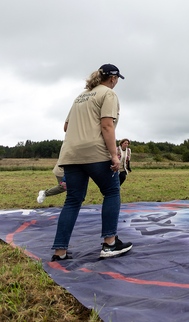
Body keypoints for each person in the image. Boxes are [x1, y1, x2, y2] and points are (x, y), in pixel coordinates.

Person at [50, 64, 133, 262]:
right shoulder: (108, 95)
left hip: (70, 154)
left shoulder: (80, 97)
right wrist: (114, 155)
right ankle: (110, 243)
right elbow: (106, 125)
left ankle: (59, 252)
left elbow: (66, 126)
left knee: (72, 200)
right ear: (113, 79)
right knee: (112, 191)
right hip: (95, 152)